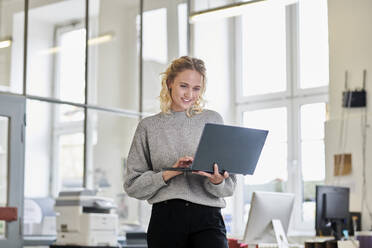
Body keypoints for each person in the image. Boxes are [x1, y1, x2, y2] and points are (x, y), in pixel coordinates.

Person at [124, 56, 236, 248]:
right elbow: (132, 185)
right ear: (169, 83)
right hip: (167, 218)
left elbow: (229, 186)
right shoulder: (148, 127)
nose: (189, 94)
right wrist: (170, 172)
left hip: (208, 218)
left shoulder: (213, 119)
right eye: (183, 86)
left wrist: (217, 181)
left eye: (196, 88)